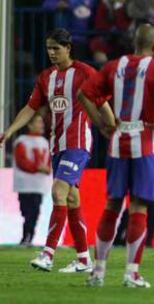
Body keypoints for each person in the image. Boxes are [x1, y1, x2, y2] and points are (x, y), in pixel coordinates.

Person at [78, 23, 154, 288]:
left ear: (133, 43)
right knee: (138, 206)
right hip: (146, 141)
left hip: (118, 140)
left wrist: (101, 124)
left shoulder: (114, 66)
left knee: (112, 205)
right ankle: (131, 273)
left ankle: (98, 272)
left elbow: (83, 94)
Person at [0, 28, 108, 273]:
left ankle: (48, 254)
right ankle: (83, 259)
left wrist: (110, 128)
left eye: (56, 48)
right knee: (71, 199)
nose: (51, 53)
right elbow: (30, 107)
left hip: (78, 144)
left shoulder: (84, 73)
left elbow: (101, 101)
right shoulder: (46, 77)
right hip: (57, 146)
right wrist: (10, 130)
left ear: (68, 48)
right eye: (49, 48)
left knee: (58, 192)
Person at [13, 114, 52, 246]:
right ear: (29, 125)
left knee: (35, 211)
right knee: (27, 211)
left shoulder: (45, 142)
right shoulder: (21, 141)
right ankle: (26, 237)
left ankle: (28, 237)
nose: (41, 125)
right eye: (38, 122)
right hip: (24, 184)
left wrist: (48, 169)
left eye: (41, 122)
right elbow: (21, 161)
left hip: (38, 185)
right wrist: (38, 168)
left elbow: (49, 161)